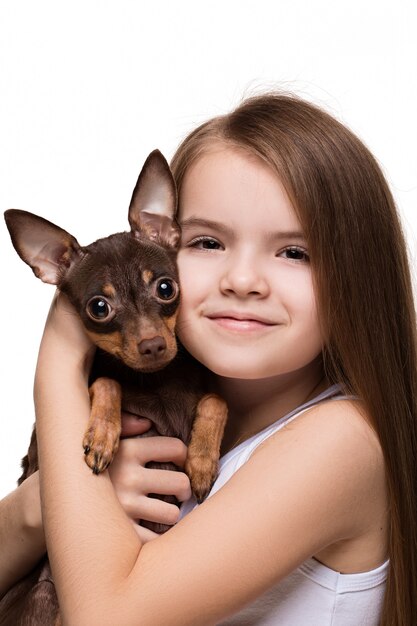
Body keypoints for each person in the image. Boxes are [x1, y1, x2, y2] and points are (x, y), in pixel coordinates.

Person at [1, 93, 416, 625]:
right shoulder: (175, 423)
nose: (242, 280)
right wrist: (39, 509)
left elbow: (105, 618)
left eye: (295, 252)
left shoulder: (341, 442)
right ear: (163, 238)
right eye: (206, 242)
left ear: (358, 274)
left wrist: (59, 357)